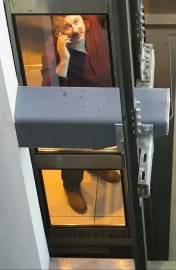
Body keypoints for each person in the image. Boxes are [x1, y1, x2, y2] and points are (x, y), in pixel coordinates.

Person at [41, 14, 120, 214]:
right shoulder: (52, 50)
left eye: (76, 22)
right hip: (75, 113)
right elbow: (48, 94)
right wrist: (64, 59)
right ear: (57, 30)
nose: (75, 30)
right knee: (74, 152)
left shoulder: (92, 22)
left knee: (100, 143)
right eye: (67, 27)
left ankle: (97, 165)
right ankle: (72, 187)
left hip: (104, 104)